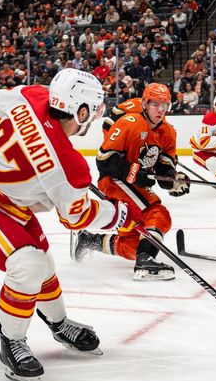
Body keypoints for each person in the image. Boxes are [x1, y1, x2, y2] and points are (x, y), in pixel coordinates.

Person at [0, 68, 142, 381]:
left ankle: (58, 323)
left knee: (43, 263)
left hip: (2, 194)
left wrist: (14, 145)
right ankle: (12, 340)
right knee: (28, 264)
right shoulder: (67, 165)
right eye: (92, 111)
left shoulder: (33, 95)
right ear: (80, 111)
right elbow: (77, 217)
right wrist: (121, 216)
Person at [71, 83, 190, 280]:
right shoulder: (129, 122)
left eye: (164, 105)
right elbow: (104, 160)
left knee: (133, 244)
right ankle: (144, 262)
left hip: (134, 184)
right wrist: (134, 173)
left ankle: (89, 240)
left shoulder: (168, 132)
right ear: (144, 103)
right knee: (158, 213)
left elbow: (163, 169)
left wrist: (173, 180)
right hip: (114, 181)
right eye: (155, 105)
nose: (160, 110)